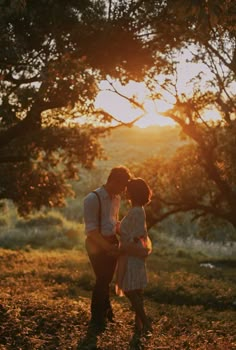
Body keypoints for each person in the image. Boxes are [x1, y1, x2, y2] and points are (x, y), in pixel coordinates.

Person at [83, 165, 131, 331]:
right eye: (122, 185)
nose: (123, 190)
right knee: (103, 279)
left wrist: (126, 233)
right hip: (95, 243)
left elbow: (112, 223)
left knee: (105, 280)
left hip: (111, 241)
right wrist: (107, 247)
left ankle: (106, 313)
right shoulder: (92, 199)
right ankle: (97, 318)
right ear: (113, 181)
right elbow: (92, 231)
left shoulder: (116, 198)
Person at [116, 177, 153, 335]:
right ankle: (138, 326)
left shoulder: (137, 211)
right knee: (136, 290)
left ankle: (146, 323)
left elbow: (137, 234)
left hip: (132, 254)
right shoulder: (136, 210)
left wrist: (126, 245)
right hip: (133, 252)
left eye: (128, 189)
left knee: (130, 289)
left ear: (133, 192)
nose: (126, 191)